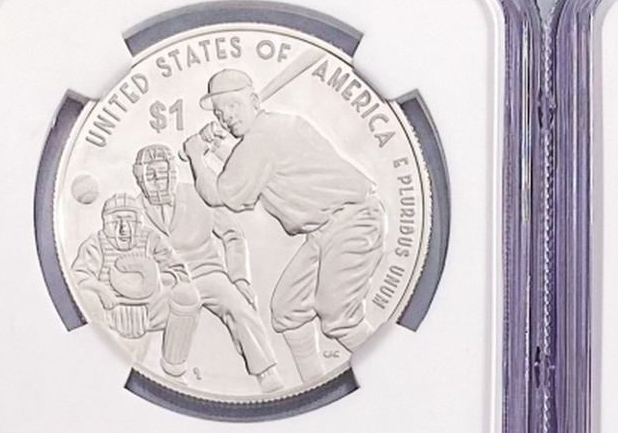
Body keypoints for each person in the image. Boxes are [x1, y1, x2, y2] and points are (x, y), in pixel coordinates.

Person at [180, 67, 385, 386]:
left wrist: (196, 156)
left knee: (338, 318)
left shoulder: (260, 141)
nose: (226, 117)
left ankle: (392, 373)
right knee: (288, 311)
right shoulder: (280, 126)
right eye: (219, 112)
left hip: (352, 223)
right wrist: (218, 147)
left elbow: (220, 194)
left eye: (233, 105)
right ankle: (315, 387)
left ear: (254, 100)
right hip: (326, 231)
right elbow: (255, 171)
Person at [131, 143, 285, 393]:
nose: (158, 179)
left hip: (207, 272)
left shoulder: (199, 195)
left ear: (173, 172)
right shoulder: (133, 212)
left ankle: (267, 372)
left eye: (163, 172)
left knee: (239, 306)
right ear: (140, 178)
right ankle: (170, 373)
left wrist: (240, 279)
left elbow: (233, 235)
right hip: (167, 282)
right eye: (151, 174)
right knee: (144, 320)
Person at [70, 193, 201, 378]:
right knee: (85, 296)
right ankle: (97, 359)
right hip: (110, 310)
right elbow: (77, 277)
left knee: (187, 294)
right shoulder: (95, 244)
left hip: (151, 310)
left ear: (139, 222)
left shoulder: (151, 239)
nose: (123, 228)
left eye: (129, 220)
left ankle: (173, 368)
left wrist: (156, 282)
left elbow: (178, 271)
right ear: (106, 223)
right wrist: (100, 289)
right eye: (116, 220)